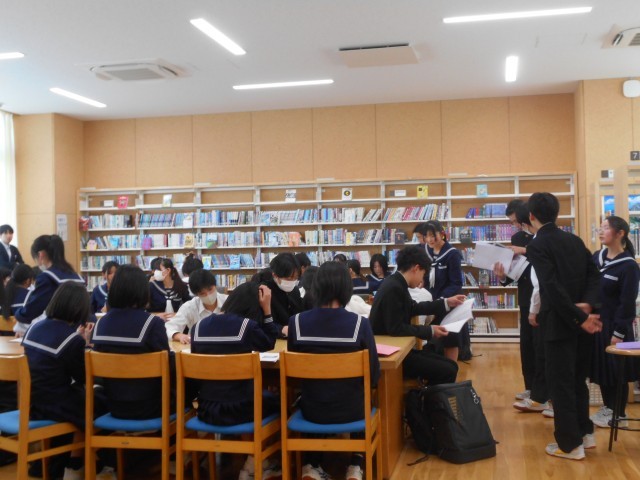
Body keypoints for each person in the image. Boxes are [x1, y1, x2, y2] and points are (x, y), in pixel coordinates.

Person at [525, 192, 601, 460]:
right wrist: (587, 307)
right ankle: (585, 434)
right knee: (578, 380)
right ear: (557, 213)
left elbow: (551, 288)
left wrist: (579, 316)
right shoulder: (574, 239)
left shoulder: (537, 245)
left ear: (531, 216)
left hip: (559, 324)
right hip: (582, 324)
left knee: (561, 384)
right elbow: (594, 276)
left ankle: (570, 445)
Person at [288, 261, 380, 480]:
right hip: (352, 410)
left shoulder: (296, 323)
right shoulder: (359, 324)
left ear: (316, 288)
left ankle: (310, 464)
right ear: (346, 289)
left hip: (312, 410)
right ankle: (355, 465)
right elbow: (373, 375)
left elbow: (294, 375)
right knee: (362, 394)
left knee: (312, 393)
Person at [22, 282, 114, 480]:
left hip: (32, 402)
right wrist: (85, 344)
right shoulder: (70, 339)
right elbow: (84, 376)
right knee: (105, 402)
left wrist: (78, 340)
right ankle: (101, 463)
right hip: (56, 405)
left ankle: (52, 465)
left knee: (84, 398)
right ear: (78, 309)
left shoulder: (33, 328)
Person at [190, 281, 280, 480]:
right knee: (277, 401)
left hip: (207, 408)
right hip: (240, 410)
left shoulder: (198, 327)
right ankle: (253, 464)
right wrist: (267, 310)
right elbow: (269, 342)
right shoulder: (246, 326)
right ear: (254, 306)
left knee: (248, 396)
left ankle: (258, 462)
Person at [369, 245, 465, 385]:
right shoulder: (394, 287)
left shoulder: (397, 282)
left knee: (451, 366)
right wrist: (430, 330)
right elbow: (396, 329)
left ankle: (428, 396)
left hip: (397, 348)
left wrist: (446, 302)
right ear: (416, 268)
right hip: (391, 354)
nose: (421, 280)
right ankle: (427, 398)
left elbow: (413, 307)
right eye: (422, 274)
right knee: (448, 370)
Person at [91, 264, 173, 420]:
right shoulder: (152, 323)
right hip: (151, 406)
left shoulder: (101, 324)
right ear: (142, 291)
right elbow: (167, 365)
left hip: (112, 406)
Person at [589, 216, 640, 429]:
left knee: (617, 371)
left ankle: (619, 414)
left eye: (606, 228)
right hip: (597, 323)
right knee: (602, 370)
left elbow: (627, 303)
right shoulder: (596, 257)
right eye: (600, 228)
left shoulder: (629, 266)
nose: (601, 232)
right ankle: (608, 408)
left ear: (620, 234)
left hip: (617, 326)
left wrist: (619, 332)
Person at [493, 200, 536, 401]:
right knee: (527, 345)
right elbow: (514, 271)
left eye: (515, 221)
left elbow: (545, 256)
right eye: (511, 222)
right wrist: (503, 276)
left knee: (541, 346)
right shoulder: (517, 237)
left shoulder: (541, 235)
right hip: (526, 296)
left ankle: (543, 391)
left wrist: (524, 250)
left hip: (544, 296)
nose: (515, 225)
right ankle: (530, 387)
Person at [15, 235, 85, 336]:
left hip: (57, 333)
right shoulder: (77, 276)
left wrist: (18, 314)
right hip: (78, 330)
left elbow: (34, 309)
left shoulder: (47, 277)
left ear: (40, 254)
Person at [422, 220, 465, 361]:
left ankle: (451, 368)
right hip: (430, 301)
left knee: (450, 338)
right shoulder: (425, 251)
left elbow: (456, 283)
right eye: (426, 236)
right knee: (429, 336)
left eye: (433, 235)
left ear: (442, 234)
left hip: (449, 302)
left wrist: (442, 299)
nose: (429, 239)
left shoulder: (452, 254)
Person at [165, 268, 228, 344]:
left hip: (226, 345)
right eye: (202, 293)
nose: (208, 295)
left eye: (210, 289)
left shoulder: (229, 301)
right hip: (199, 348)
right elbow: (169, 327)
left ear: (215, 285)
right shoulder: (189, 307)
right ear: (196, 294)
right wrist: (179, 335)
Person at [263, 253, 304, 337]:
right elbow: (261, 323)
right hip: (273, 338)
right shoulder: (265, 291)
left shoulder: (295, 291)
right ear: (275, 275)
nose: (292, 281)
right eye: (289, 278)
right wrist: (281, 329)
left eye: (295, 278)